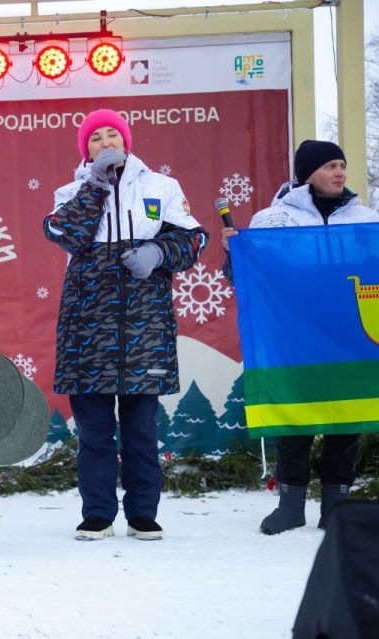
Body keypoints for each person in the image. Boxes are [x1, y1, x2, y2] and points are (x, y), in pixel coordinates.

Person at [44, 109, 208, 541]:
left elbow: (194, 239)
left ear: (126, 141)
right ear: (86, 149)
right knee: (94, 433)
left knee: (141, 430)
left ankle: (142, 515)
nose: (105, 143)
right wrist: (95, 186)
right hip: (87, 329)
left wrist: (157, 252)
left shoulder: (161, 187)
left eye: (112, 134)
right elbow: (66, 234)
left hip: (144, 327)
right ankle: (98, 514)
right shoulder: (70, 191)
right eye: (95, 138)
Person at [221, 140, 379, 535]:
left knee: (345, 422)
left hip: (347, 337)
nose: (339, 172)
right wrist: (234, 253)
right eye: (329, 166)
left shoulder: (365, 219)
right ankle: (290, 505)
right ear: (306, 174)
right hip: (292, 337)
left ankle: (336, 504)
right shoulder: (272, 220)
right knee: (292, 420)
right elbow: (248, 278)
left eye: (341, 164)